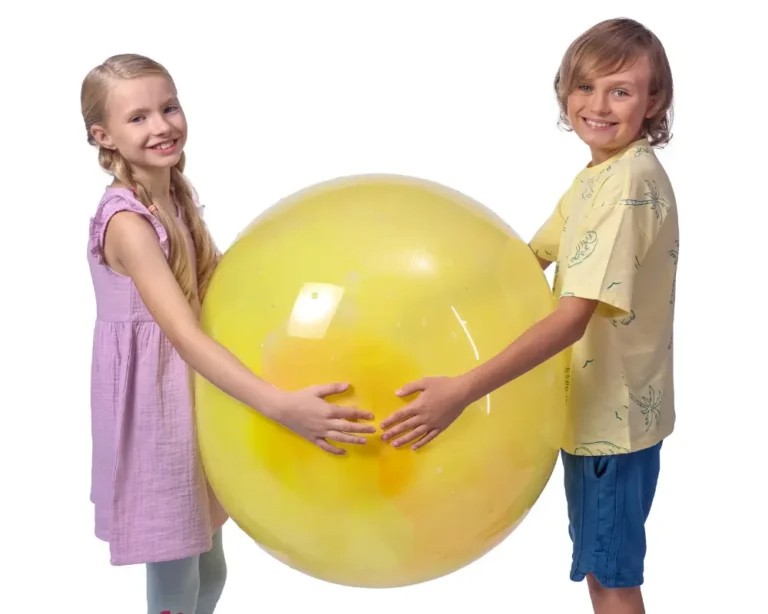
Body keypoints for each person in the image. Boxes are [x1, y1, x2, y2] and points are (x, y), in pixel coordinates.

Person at [380, 18, 678, 614]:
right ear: (564, 93)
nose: (598, 106)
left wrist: (462, 390)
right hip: (596, 415)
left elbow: (571, 319)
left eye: (620, 91)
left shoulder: (627, 186)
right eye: (585, 87)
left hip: (611, 423)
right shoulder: (598, 177)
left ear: (653, 102)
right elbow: (528, 260)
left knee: (611, 577)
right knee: (601, 568)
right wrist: (422, 297)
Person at [81, 53, 376, 614]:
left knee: (210, 566)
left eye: (168, 108)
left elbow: (218, 285)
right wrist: (279, 406)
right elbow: (184, 336)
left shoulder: (176, 194)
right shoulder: (127, 223)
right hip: (158, 408)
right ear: (105, 136)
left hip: (201, 393)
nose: (162, 125)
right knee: (175, 570)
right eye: (138, 118)